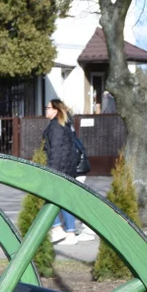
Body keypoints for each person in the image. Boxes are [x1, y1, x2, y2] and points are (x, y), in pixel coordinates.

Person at [43, 98, 94, 246]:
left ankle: (58, 229)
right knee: (65, 201)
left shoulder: (56, 127)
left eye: (48, 108)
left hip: (60, 169)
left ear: (55, 110)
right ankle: (69, 233)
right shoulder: (64, 125)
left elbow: (57, 152)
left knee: (49, 197)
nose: (46, 110)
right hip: (67, 168)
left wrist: (51, 172)